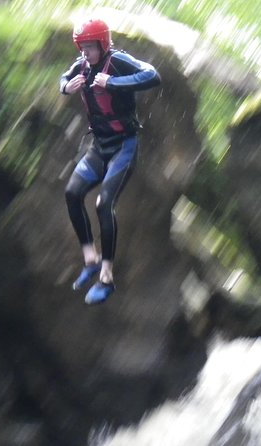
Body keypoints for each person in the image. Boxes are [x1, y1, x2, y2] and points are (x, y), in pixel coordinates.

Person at [60, 18, 161, 305]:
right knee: (72, 193)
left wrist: (114, 82)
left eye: (90, 47)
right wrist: (67, 87)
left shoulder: (118, 61)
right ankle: (90, 260)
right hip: (99, 146)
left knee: (104, 204)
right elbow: (62, 80)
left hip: (124, 147)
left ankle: (106, 277)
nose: (85, 53)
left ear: (102, 44)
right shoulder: (81, 65)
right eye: (82, 48)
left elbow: (152, 75)